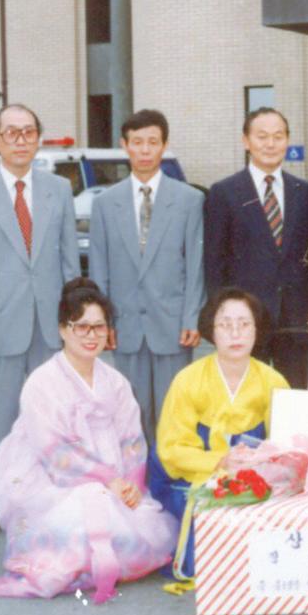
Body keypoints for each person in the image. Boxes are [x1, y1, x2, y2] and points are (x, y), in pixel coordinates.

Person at [0, 278, 176, 603]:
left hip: (115, 478)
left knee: (147, 528)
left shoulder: (115, 382)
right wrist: (107, 480)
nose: (91, 336)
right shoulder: (41, 383)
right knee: (81, 519)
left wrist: (131, 485)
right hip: (54, 479)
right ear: (63, 329)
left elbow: (131, 440)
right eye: (81, 327)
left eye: (99, 327)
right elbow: (53, 452)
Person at [0, 103, 80, 540]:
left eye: (28, 132)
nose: (21, 140)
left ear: (38, 138)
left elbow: (69, 259)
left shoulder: (58, 190)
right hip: (0, 324)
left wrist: (74, 320)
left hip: (50, 324)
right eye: (11, 133)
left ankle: (52, 495)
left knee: (55, 415)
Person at [149, 287, 289, 581]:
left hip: (254, 473)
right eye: (225, 325)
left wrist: (257, 465)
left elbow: (286, 442)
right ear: (211, 330)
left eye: (244, 324)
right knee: (208, 546)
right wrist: (220, 462)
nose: (235, 333)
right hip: (193, 475)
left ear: (256, 328)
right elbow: (172, 448)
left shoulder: (272, 380)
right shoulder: (188, 380)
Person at [88, 109, 206, 439]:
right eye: (137, 142)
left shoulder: (189, 200)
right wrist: (103, 322)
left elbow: (195, 264)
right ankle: (135, 472)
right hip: (124, 325)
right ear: (124, 145)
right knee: (130, 414)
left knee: (174, 413)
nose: (144, 150)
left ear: (164, 145)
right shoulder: (105, 203)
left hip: (173, 324)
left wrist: (192, 317)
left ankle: (168, 472)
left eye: (153, 142)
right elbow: (99, 268)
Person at [204, 107, 308, 388]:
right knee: (246, 394)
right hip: (244, 318)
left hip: (294, 318)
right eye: (262, 136)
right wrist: (222, 314)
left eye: (278, 137)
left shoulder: (302, 191)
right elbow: (214, 262)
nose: (270, 144)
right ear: (246, 141)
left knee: (293, 394)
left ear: (287, 141)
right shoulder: (224, 192)